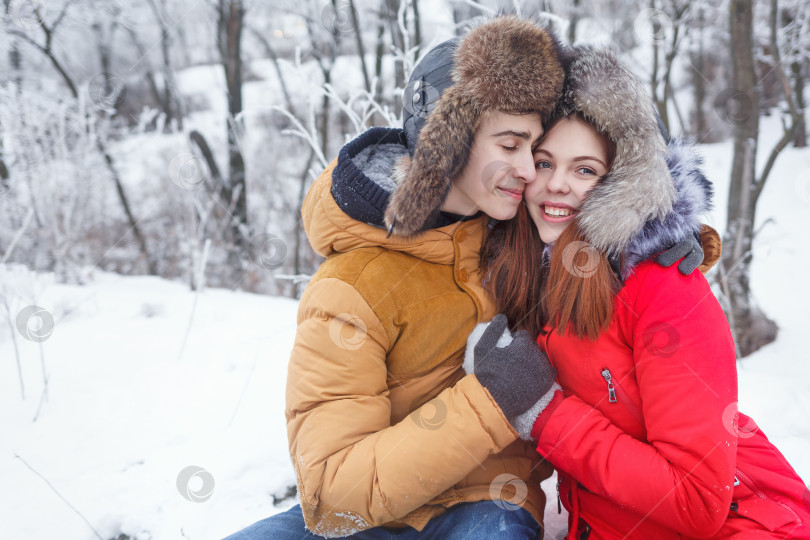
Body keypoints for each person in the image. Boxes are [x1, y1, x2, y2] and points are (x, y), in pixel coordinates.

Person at [223, 15, 569, 540]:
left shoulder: (524, 235)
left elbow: (610, 242)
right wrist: (490, 401)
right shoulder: (352, 284)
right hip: (370, 517)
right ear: (447, 144)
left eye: (534, 148)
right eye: (510, 144)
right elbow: (332, 491)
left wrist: (656, 238)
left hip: (487, 502)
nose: (528, 168)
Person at [469, 45, 810, 539]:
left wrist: (544, 411)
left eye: (585, 170)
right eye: (544, 163)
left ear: (622, 185)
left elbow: (695, 502)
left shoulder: (664, 285)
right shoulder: (536, 268)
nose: (556, 185)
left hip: (745, 522)